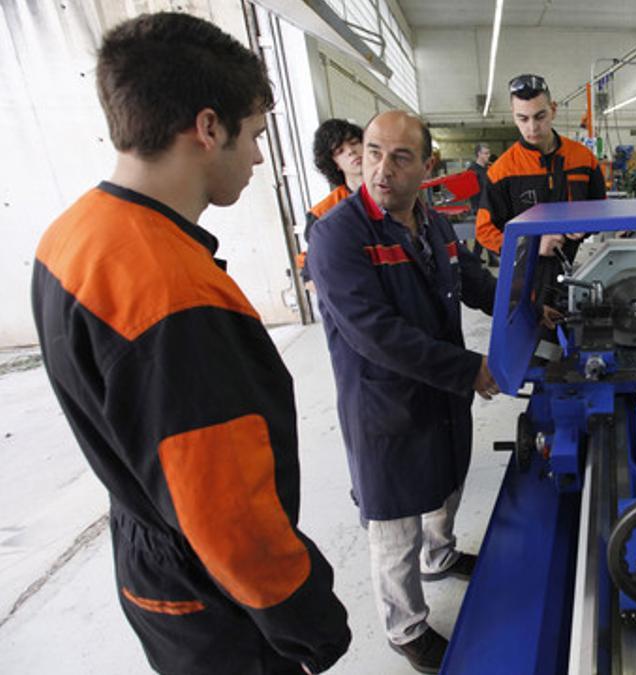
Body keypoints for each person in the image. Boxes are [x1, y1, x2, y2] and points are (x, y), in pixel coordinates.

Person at [30, 12, 351, 674]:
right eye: (256, 135)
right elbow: (232, 522)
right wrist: (313, 622)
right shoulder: (177, 296)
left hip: (151, 563)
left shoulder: (72, 235)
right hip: (217, 605)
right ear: (208, 128)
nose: (261, 157)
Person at [305, 110, 498, 674]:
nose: (381, 170)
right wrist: (471, 369)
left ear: (427, 166)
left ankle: (442, 555)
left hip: (438, 397)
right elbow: (380, 337)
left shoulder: (433, 224)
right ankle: (405, 627)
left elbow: (470, 280)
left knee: (445, 487)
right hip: (384, 407)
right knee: (394, 529)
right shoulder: (338, 236)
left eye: (400, 157)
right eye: (371, 153)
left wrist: (524, 301)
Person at [474, 73, 605, 281]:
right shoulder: (502, 171)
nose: (532, 127)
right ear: (513, 115)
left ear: (553, 110)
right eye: (523, 119)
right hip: (526, 277)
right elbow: (484, 230)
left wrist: (585, 225)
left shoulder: (583, 159)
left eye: (540, 116)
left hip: (579, 270)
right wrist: (531, 246)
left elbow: (600, 210)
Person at [306, 118, 364, 241]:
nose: (351, 151)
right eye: (340, 151)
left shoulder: (406, 190)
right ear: (334, 164)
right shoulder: (322, 215)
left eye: (354, 142)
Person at [466, 143, 490, 211]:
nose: (488, 155)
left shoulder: (488, 169)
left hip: (489, 206)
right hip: (479, 208)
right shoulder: (472, 170)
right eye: (486, 153)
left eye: (489, 153)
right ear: (479, 154)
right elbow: (470, 192)